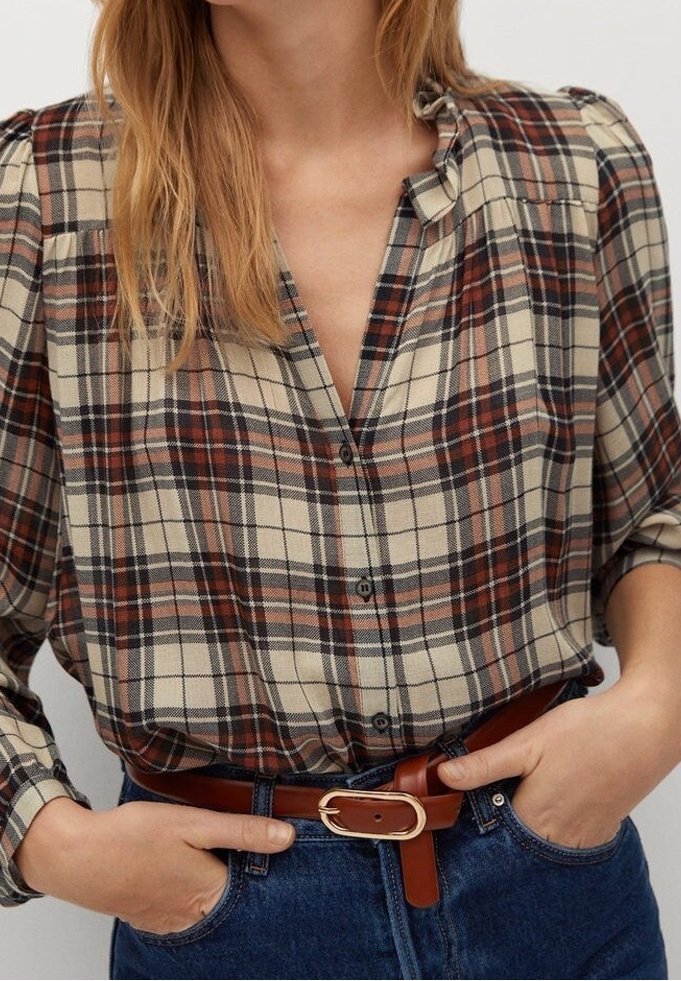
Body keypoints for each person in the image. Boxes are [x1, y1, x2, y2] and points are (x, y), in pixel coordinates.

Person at [1, 0, 680, 978]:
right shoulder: (45, 201)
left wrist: (657, 705)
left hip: (554, 893)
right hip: (231, 920)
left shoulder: (570, 167)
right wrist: (55, 842)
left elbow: (656, 510)